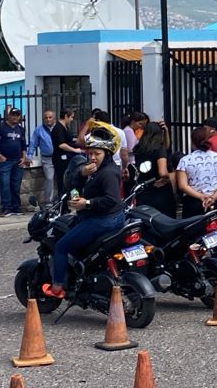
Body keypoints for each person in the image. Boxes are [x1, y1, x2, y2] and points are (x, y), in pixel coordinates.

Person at [40, 125, 129, 300]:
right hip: (107, 217)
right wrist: (81, 173)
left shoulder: (108, 173)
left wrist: (87, 203)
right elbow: (74, 187)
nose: (93, 157)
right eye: (90, 153)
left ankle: (57, 287)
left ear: (107, 154)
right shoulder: (93, 170)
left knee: (61, 246)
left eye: (98, 154)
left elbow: (111, 199)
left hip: (103, 220)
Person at [176, 126, 217, 217]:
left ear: (192, 141)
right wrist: (213, 197)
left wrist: (201, 196)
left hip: (192, 202)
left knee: (192, 226)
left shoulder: (185, 160)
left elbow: (182, 185)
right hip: (214, 202)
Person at [131, 120, 179, 214]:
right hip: (160, 193)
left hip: (144, 192)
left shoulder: (139, 149)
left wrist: (166, 131)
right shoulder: (159, 150)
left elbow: (166, 147)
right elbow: (163, 173)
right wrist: (169, 177)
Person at [0, 108, 31, 216]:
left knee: (16, 185)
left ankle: (16, 208)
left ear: (19, 117)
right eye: (13, 115)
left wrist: (24, 158)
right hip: (5, 161)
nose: (15, 117)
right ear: (8, 116)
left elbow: (23, 144)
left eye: (17, 115)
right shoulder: (0, 127)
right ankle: (6, 208)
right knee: (5, 185)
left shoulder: (21, 129)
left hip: (18, 161)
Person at [30, 110, 62, 207]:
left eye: (50, 117)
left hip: (60, 157)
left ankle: (61, 199)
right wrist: (29, 155)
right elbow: (33, 143)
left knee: (61, 179)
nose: (48, 119)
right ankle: (49, 202)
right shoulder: (39, 130)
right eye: (46, 117)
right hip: (47, 159)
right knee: (49, 178)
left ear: (54, 118)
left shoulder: (59, 128)